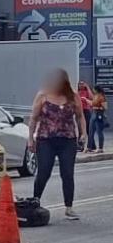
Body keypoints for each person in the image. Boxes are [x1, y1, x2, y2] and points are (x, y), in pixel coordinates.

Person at [29, 69, 87, 220]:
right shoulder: (43, 95)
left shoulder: (73, 96)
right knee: (44, 172)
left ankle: (69, 207)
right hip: (46, 139)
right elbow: (34, 118)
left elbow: (80, 116)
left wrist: (83, 133)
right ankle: (36, 201)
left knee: (67, 173)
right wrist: (31, 139)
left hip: (67, 139)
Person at [88, 85, 108, 153]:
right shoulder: (95, 96)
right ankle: (89, 147)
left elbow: (105, 107)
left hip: (99, 114)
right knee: (91, 131)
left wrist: (97, 108)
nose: (93, 90)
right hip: (93, 114)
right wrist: (88, 101)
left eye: (93, 89)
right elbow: (92, 103)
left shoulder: (102, 97)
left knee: (99, 131)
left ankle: (100, 148)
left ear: (96, 90)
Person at [78, 81, 93, 147]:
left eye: (82, 84)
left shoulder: (86, 91)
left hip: (86, 110)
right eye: (80, 84)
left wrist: (87, 87)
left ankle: (91, 145)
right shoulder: (78, 92)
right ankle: (81, 145)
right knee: (79, 128)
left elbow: (91, 97)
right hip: (79, 110)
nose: (81, 85)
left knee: (88, 128)